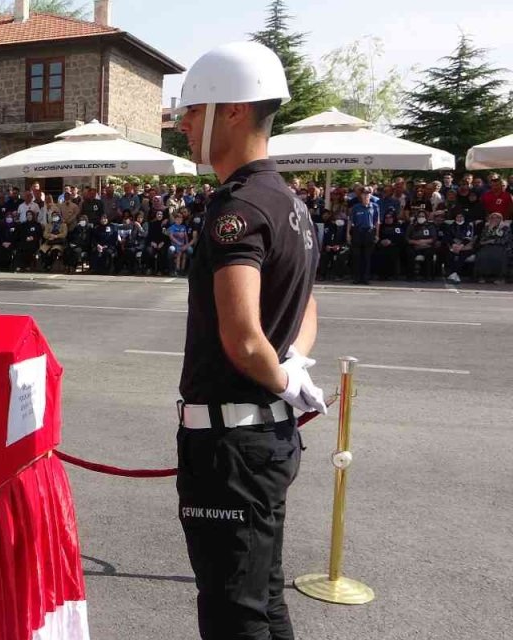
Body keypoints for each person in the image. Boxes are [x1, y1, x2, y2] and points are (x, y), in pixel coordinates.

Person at [174, 41, 324, 640]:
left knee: (234, 613)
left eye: (192, 109)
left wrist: (283, 376)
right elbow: (307, 303)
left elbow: (241, 339)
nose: (183, 123)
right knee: (264, 600)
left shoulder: (236, 208)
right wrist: (295, 366)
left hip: (230, 446)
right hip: (265, 439)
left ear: (231, 111)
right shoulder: (289, 201)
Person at [346, 188, 380, 284]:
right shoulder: (356, 207)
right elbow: (350, 221)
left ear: (370, 195)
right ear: (361, 196)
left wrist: (377, 234)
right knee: (357, 256)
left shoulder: (375, 206)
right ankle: (356, 277)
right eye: (364, 194)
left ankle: (365, 278)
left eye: (368, 194)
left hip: (369, 232)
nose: (366, 196)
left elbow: (377, 222)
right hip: (358, 232)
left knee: (367, 256)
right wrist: (348, 234)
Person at [474, 213, 509, 283]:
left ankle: (500, 278)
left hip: (500, 246)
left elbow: (506, 239)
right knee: (482, 255)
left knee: (499, 256)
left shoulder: (505, 228)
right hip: (487, 246)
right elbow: (482, 239)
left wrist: (493, 241)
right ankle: (482, 276)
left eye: (497, 218)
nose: (494, 219)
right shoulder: (486, 227)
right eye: (492, 218)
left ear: (500, 219)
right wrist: (490, 230)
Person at [406, 207, 439, 280]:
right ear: (416, 217)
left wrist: (423, 242)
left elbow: (434, 238)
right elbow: (407, 238)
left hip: (427, 246)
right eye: (419, 216)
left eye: (423, 216)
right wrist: (416, 243)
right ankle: (410, 276)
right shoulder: (412, 226)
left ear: (426, 217)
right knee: (409, 253)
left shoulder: (430, 226)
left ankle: (427, 275)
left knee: (429, 253)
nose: (421, 218)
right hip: (414, 246)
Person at [445, 211, 476, 282]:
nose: (459, 218)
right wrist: (453, 244)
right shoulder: (451, 226)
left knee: (462, 255)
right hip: (454, 246)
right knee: (450, 254)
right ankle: (452, 274)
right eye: (457, 217)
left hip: (466, 247)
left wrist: (461, 246)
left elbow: (468, 238)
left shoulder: (468, 226)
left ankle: (455, 273)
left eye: (461, 217)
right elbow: (448, 237)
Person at [318, 211, 349, 281]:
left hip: (341, 247)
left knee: (341, 255)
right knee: (324, 255)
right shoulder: (328, 226)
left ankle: (339, 275)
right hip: (330, 247)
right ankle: (322, 275)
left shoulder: (344, 228)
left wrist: (339, 246)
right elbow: (325, 238)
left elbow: (346, 241)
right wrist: (326, 246)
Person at [375, 212, 406, 280]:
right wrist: (381, 241)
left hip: (394, 245)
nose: (388, 219)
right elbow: (377, 236)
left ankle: (392, 274)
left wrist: (391, 241)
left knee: (393, 252)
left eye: (390, 217)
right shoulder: (381, 227)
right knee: (380, 253)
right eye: (386, 217)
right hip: (382, 245)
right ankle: (381, 275)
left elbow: (400, 238)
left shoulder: (397, 227)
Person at [15, 208, 43, 272]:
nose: (29, 216)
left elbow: (39, 235)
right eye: (27, 215)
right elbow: (20, 235)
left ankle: (26, 266)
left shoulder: (37, 225)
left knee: (29, 249)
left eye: (30, 214)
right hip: (25, 242)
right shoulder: (23, 225)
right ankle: (19, 266)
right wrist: (26, 238)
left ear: (33, 216)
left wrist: (33, 238)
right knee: (20, 249)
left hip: (34, 242)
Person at [167, 210, 192, 275]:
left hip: (183, 244)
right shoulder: (172, 227)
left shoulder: (183, 227)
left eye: (180, 220)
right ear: (175, 220)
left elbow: (186, 236)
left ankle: (182, 269)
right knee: (179, 254)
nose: (179, 221)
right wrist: (178, 243)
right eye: (177, 219)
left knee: (184, 255)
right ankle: (177, 269)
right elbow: (171, 237)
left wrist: (186, 244)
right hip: (176, 244)